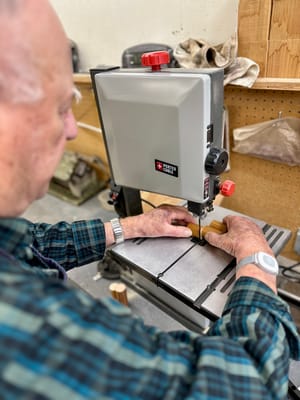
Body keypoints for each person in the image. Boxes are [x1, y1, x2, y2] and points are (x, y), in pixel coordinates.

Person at [0, 1, 299, 399]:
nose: (72, 129)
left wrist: (130, 226)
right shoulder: (22, 324)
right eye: (60, 107)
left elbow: (28, 245)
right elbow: (246, 384)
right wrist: (258, 263)